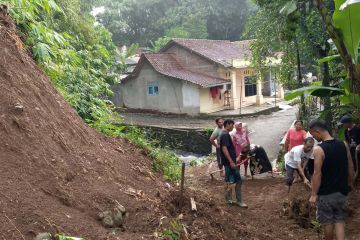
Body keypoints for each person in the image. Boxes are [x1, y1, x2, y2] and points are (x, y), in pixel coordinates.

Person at [309, 119, 354, 240]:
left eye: (313, 135)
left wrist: (313, 194)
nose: (313, 138)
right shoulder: (343, 144)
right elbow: (350, 166)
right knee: (339, 221)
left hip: (326, 194)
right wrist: (350, 183)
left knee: (327, 222)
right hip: (342, 192)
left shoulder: (319, 149)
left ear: (316, 131)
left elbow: (317, 173)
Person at [220, 119, 247, 208]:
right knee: (237, 181)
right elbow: (224, 148)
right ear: (227, 124)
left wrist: (235, 158)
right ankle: (237, 201)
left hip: (229, 162)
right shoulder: (224, 135)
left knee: (230, 181)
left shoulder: (225, 134)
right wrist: (231, 161)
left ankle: (229, 200)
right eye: (232, 125)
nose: (233, 127)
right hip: (229, 163)